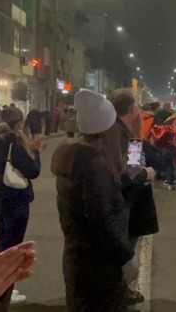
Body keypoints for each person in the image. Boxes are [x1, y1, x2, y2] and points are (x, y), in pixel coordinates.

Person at [51, 89, 134, 312]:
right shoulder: (94, 165)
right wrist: (126, 252)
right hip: (98, 268)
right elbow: (102, 220)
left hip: (78, 262)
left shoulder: (73, 157)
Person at [109, 89, 159, 305]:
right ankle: (120, 291)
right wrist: (145, 174)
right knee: (124, 248)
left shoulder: (123, 132)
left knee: (125, 245)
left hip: (129, 201)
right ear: (132, 109)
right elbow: (130, 171)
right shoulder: (120, 134)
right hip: (126, 201)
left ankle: (120, 290)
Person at [0, 107, 46, 309]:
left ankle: (1, 286)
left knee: (3, 240)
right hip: (16, 200)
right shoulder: (16, 141)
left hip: (1, 196)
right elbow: (33, 171)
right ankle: (4, 293)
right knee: (13, 246)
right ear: (19, 123)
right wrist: (37, 152)